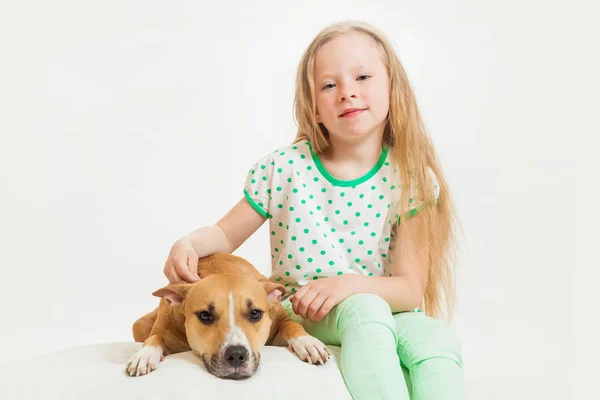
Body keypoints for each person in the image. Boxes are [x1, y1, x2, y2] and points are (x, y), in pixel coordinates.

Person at [163, 20, 465, 400]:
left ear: (393, 90)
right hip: (309, 312)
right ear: (314, 107)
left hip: (386, 310)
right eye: (329, 85)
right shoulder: (285, 169)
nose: (347, 93)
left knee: (436, 338)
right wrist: (188, 242)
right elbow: (225, 234)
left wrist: (347, 284)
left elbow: (408, 289)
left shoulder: (411, 180)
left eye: (363, 77)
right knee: (365, 312)